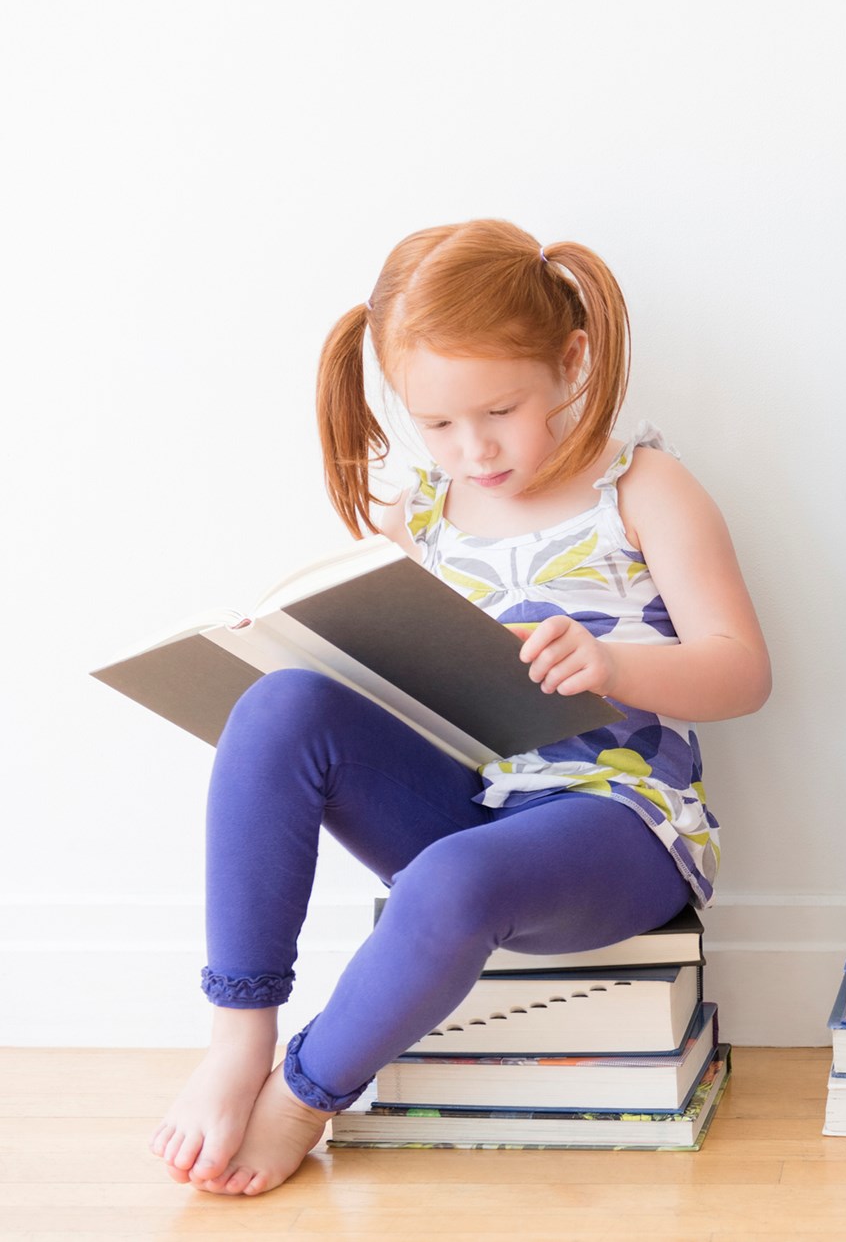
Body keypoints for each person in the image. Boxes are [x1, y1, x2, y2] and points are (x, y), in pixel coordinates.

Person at [149, 219, 771, 1195]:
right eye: (437, 425)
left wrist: (611, 664)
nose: (472, 448)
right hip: (472, 797)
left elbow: (742, 671)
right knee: (280, 707)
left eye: (500, 410)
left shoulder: (641, 487)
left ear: (571, 361)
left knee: (444, 883)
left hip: (617, 825)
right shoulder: (422, 513)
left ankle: (303, 1092)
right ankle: (238, 1037)